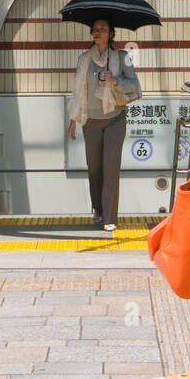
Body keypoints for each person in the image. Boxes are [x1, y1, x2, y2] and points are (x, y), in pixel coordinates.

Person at [68, 19, 139, 232]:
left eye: (103, 29)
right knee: (94, 169)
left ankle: (109, 217)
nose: (98, 32)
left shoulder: (122, 57)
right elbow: (78, 92)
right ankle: (97, 210)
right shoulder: (83, 59)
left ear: (111, 33)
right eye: (95, 29)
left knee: (110, 167)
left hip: (115, 118)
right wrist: (73, 120)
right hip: (90, 121)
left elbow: (135, 85)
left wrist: (115, 80)